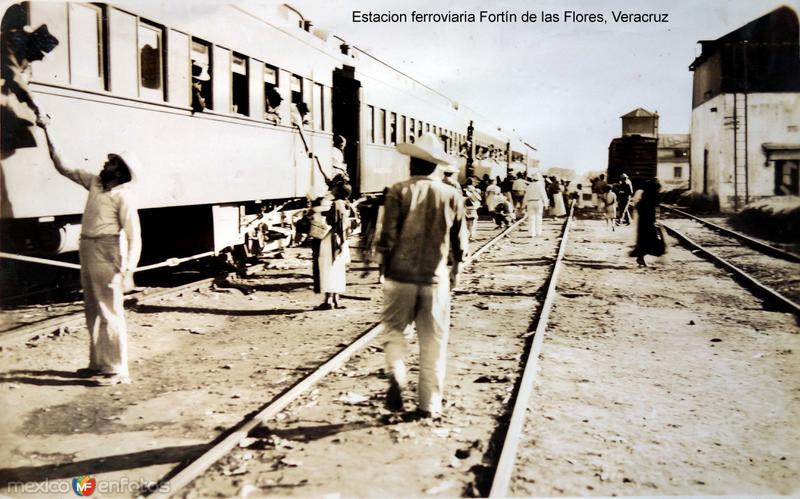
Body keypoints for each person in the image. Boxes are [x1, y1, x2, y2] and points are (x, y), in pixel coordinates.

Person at [38, 120, 141, 386]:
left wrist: (129, 270)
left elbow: (133, 236)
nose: (105, 165)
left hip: (108, 250)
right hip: (88, 246)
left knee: (109, 309)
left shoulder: (123, 197)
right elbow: (64, 167)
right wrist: (48, 129)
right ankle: (99, 365)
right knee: (93, 309)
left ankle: (118, 370)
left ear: (121, 172)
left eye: (111, 163)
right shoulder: (95, 183)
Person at [377, 132, 468, 419]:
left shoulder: (397, 190)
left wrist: (384, 268)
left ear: (412, 165)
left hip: (399, 277)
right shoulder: (452, 194)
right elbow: (460, 242)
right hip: (435, 278)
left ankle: (397, 371)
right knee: (434, 342)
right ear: (435, 167)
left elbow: (387, 237)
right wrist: (456, 269)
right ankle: (429, 405)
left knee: (394, 331)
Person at [312, 182, 352, 309]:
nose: (331, 189)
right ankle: (336, 299)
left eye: (334, 188)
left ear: (338, 191)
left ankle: (328, 300)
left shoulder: (330, 204)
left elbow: (317, 214)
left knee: (327, 268)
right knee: (338, 269)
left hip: (329, 239)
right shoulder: (346, 204)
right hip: (341, 240)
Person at [630, 179, 665, 267]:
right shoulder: (653, 195)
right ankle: (641, 258)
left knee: (644, 241)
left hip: (643, 222)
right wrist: (653, 220)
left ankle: (640, 258)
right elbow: (653, 208)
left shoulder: (645, 194)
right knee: (650, 241)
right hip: (648, 222)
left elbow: (640, 207)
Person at [524, 171, 549, 238]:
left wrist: (524, 205)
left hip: (530, 202)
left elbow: (526, 196)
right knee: (538, 217)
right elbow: (544, 195)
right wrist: (546, 204)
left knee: (531, 218)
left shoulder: (529, 186)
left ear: (532, 178)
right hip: (538, 202)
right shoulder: (540, 185)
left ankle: (531, 233)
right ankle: (538, 232)